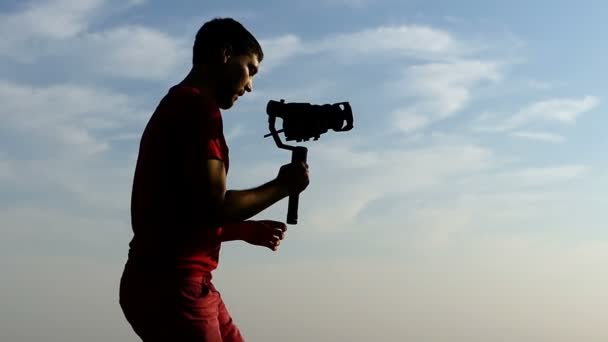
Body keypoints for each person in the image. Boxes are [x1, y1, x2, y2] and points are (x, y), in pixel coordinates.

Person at [119, 17, 310, 341]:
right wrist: (283, 187)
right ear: (225, 54)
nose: (250, 85)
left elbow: (184, 209)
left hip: (176, 281)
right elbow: (214, 206)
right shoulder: (197, 110)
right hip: (174, 285)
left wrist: (242, 230)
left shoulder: (181, 105)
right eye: (250, 68)